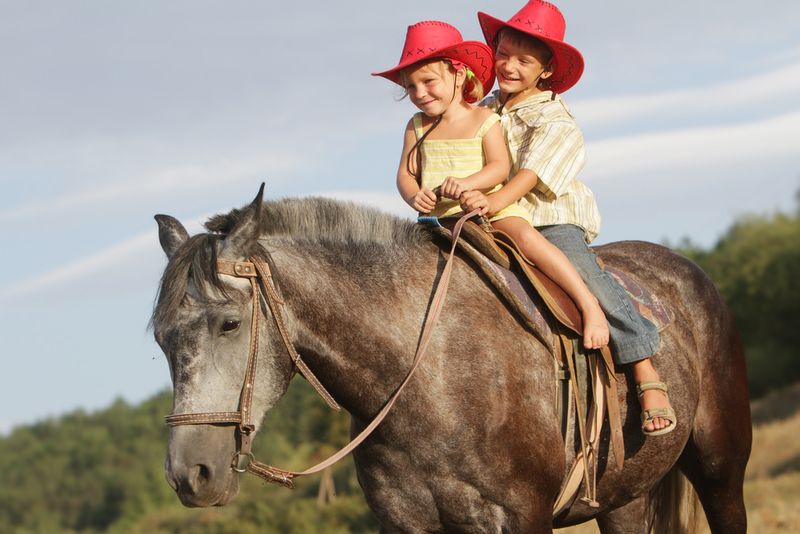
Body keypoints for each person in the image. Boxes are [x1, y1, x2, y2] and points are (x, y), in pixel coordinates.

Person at [460, 0, 676, 436]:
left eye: (524, 59)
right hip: (491, 219)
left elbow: (528, 177)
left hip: (545, 218)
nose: (509, 65)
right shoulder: (483, 110)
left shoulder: (556, 120)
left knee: (583, 272)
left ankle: (643, 367)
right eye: (503, 53)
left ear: (545, 70)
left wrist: (493, 198)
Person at [372, 20, 609, 350]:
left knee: (526, 238)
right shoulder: (418, 125)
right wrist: (414, 195)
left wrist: (469, 185)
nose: (419, 93)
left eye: (428, 81)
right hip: (439, 217)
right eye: (410, 87)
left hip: (491, 210)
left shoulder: (486, 119)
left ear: (458, 74)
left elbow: (501, 168)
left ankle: (589, 304)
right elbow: (406, 173)